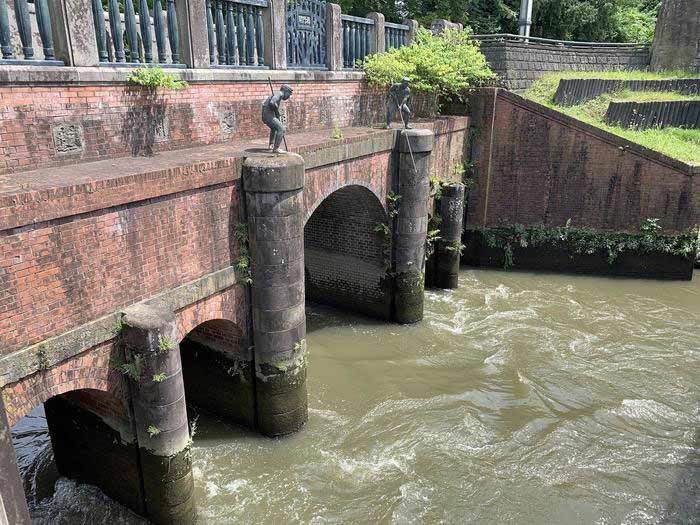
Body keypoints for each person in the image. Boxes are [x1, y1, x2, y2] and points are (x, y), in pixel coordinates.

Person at [262, 84, 293, 152]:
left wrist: (276, 114)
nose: (289, 96)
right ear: (286, 91)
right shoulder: (279, 93)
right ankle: (276, 149)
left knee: (274, 128)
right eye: (289, 94)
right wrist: (276, 111)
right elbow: (272, 103)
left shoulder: (278, 94)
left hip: (266, 115)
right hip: (268, 115)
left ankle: (271, 145)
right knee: (281, 129)